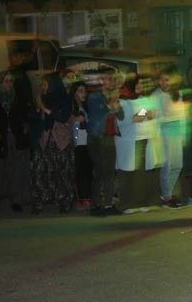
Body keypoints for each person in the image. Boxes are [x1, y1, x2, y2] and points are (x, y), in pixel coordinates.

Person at [0, 71, 32, 213]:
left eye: (11, 81)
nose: (9, 84)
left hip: (14, 136)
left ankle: (16, 199)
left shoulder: (19, 98)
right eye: (6, 81)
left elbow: (26, 114)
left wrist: (26, 124)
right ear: (0, 83)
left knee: (16, 168)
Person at [30, 73, 75, 214]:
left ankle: (65, 200)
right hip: (44, 140)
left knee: (63, 172)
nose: (43, 87)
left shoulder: (65, 99)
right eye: (42, 84)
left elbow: (62, 117)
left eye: (45, 84)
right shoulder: (41, 99)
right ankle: (39, 201)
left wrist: (44, 108)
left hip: (60, 140)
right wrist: (37, 109)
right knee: (39, 171)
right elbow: (32, 118)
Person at [115, 76, 162, 212]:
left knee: (143, 173)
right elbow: (133, 119)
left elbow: (151, 115)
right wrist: (143, 112)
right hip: (129, 141)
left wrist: (143, 113)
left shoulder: (144, 99)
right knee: (130, 173)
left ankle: (142, 202)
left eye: (141, 84)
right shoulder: (122, 101)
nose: (140, 86)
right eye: (137, 84)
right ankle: (129, 204)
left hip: (145, 138)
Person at [86, 70, 123, 216]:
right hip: (97, 137)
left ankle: (108, 203)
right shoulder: (94, 97)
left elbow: (121, 115)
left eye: (113, 79)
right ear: (101, 80)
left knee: (109, 172)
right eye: (109, 79)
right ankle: (96, 204)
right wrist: (113, 104)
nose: (112, 82)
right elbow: (100, 111)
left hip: (109, 136)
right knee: (100, 172)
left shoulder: (112, 97)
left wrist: (115, 105)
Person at [153, 69, 187, 207]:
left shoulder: (177, 94)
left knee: (178, 165)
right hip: (164, 130)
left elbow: (183, 113)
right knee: (167, 165)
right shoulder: (156, 95)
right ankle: (166, 196)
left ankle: (169, 194)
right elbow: (151, 114)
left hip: (177, 129)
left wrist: (184, 134)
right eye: (162, 80)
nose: (164, 83)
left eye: (167, 79)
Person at [69, 81, 92, 210]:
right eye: (80, 91)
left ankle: (86, 196)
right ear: (74, 93)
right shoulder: (71, 107)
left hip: (85, 142)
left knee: (86, 171)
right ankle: (80, 198)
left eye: (84, 91)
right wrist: (75, 120)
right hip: (77, 143)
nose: (83, 94)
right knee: (79, 171)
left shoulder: (85, 107)